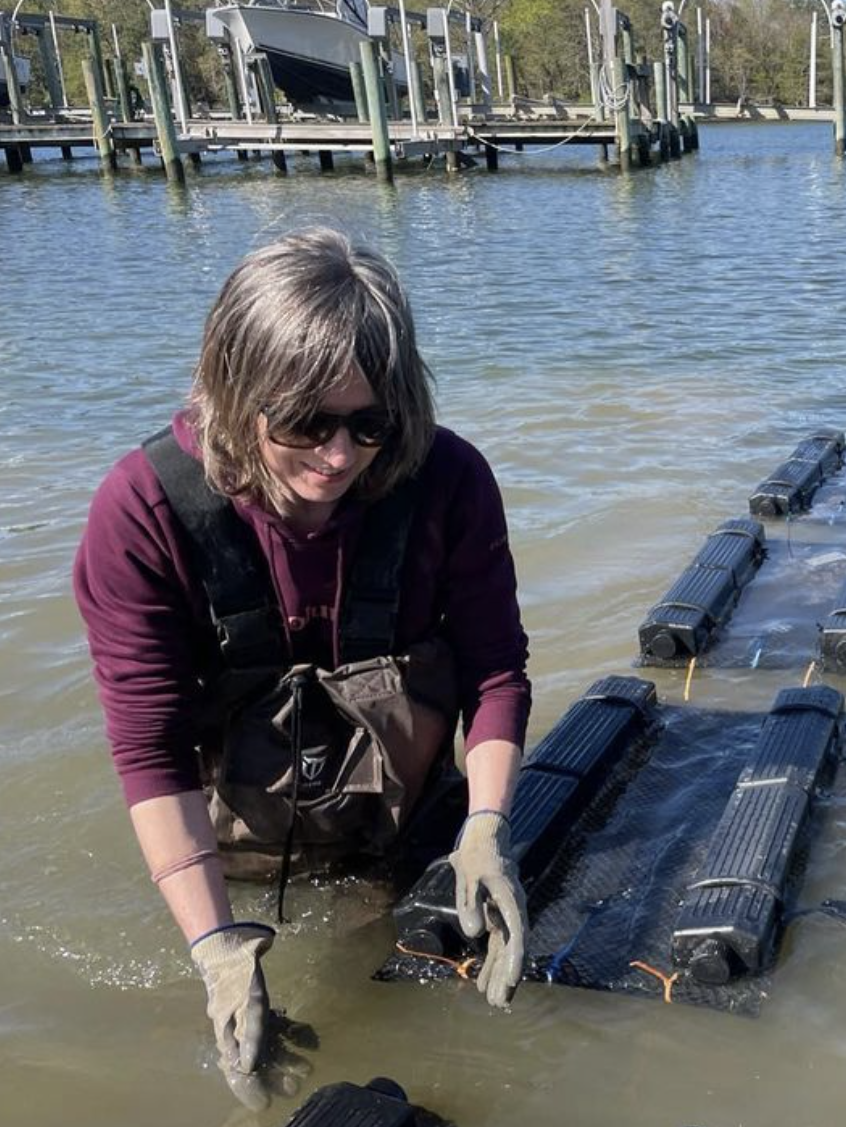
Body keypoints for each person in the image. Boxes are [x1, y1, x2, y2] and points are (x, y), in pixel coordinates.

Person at [74, 227, 531, 1103]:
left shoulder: (448, 480)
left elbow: (495, 673)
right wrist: (213, 948)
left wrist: (487, 825)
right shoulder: (139, 512)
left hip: (400, 811)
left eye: (370, 423)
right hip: (234, 828)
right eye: (304, 422)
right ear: (233, 393)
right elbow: (148, 747)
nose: (338, 456)